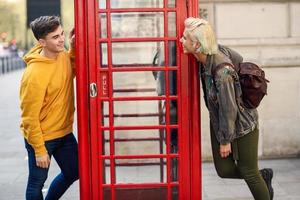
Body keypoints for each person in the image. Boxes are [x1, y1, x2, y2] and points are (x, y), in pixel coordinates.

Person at [180, 17, 274, 200]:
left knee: (250, 172)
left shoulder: (222, 71)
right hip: (221, 121)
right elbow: (238, 59)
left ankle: (259, 180)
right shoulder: (207, 55)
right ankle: (263, 177)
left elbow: (229, 108)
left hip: (242, 124)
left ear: (197, 45)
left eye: (185, 38)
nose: (181, 40)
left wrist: (225, 141)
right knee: (224, 170)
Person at [19, 16, 78, 200]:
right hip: (42, 137)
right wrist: (39, 150)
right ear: (42, 42)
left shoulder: (62, 55)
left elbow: (72, 71)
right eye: (55, 37)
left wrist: (73, 46)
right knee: (36, 183)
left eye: (61, 34)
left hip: (64, 132)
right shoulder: (34, 74)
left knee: (74, 171)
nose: (61, 39)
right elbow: (29, 118)